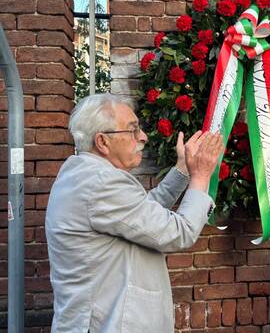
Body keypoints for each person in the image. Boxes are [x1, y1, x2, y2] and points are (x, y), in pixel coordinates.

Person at [45, 93, 224, 332]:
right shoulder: (101, 182)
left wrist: (182, 170)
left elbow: (141, 213)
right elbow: (179, 233)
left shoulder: (85, 174)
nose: (143, 136)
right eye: (132, 130)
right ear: (102, 142)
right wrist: (201, 176)